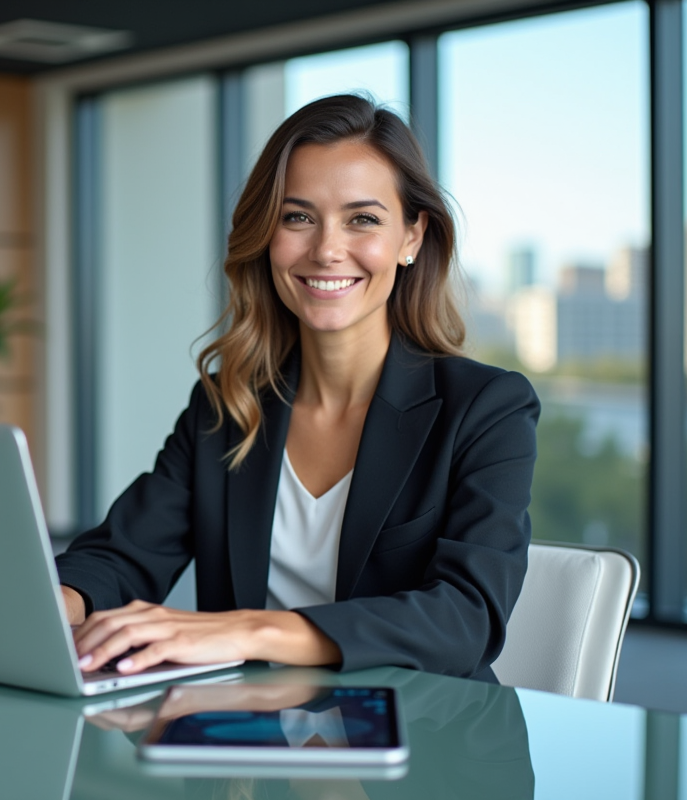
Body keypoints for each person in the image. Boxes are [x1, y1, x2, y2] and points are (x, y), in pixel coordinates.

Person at [55, 93, 540, 683]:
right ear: (267, 234)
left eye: (363, 219)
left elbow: (466, 618)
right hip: (248, 748)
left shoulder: (486, 409)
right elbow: (123, 555)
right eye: (297, 217)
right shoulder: (226, 404)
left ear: (412, 237)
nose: (326, 249)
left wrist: (250, 629)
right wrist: (62, 602)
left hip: (420, 744)